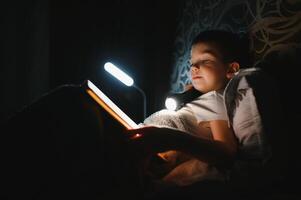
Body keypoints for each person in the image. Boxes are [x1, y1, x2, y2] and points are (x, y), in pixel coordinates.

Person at [127, 30, 251, 198]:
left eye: (205, 60)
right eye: (192, 62)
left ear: (231, 68)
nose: (193, 67)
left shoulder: (216, 99)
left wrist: (170, 138)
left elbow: (226, 153)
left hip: (151, 155)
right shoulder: (199, 99)